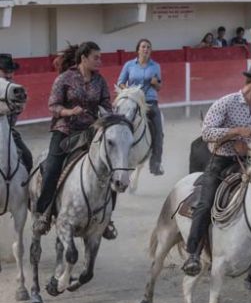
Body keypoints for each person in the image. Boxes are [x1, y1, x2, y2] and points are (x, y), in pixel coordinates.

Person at [181, 63, 251, 276]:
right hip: (222, 161)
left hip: (250, 162)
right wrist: (236, 132)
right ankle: (193, 253)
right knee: (205, 203)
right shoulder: (227, 102)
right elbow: (206, 132)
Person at [33, 42, 113, 236]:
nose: (99, 61)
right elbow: (53, 105)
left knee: (111, 170)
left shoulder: (99, 81)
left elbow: (106, 104)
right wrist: (69, 111)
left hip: (91, 132)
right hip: (65, 130)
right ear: (83, 58)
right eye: (96, 57)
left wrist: (106, 114)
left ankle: (107, 219)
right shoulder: (65, 78)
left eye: (100, 58)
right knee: (52, 167)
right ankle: (44, 213)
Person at [117, 38, 164, 176]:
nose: (146, 49)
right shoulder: (129, 65)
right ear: (138, 50)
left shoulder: (155, 66)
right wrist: (128, 92)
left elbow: (159, 87)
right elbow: (120, 82)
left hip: (149, 102)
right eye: (143, 47)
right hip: (132, 101)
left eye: (148, 47)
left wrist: (155, 83)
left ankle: (155, 163)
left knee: (158, 132)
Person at [0, 54, 32, 173]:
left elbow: (19, 109)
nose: (9, 74)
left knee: (27, 158)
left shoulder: (12, 86)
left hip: (8, 130)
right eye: (5, 71)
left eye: (11, 71)